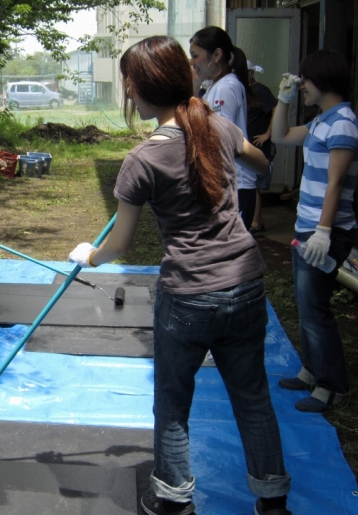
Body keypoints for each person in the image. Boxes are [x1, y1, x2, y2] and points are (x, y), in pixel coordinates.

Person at [69, 36, 291, 515]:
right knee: (252, 397)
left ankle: (172, 501)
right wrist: (235, 151)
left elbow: (120, 245)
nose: (127, 93)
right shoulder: (218, 126)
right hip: (247, 286)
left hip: (189, 297)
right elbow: (260, 162)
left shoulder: (142, 160)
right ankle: (273, 502)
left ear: (141, 89)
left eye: (129, 84)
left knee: (173, 403)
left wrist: (90, 256)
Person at [271, 50, 358, 412]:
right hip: (306, 228)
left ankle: (333, 386)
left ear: (321, 79)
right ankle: (312, 369)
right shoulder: (323, 120)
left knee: (316, 309)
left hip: (325, 233)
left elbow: (336, 183)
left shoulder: (344, 123)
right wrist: (284, 99)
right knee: (307, 306)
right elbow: (279, 135)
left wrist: (323, 231)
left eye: (304, 81)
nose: (301, 85)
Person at [190, 26, 259, 230]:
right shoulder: (215, 86)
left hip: (235, 184)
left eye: (195, 56)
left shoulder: (226, 87)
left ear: (217, 55)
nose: (192, 63)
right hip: (225, 182)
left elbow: (222, 136)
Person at [247, 61, 279, 235]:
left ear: (251, 73)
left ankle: (256, 223)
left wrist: (268, 134)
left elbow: (276, 109)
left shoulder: (261, 91)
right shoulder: (246, 91)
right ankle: (256, 221)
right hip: (250, 147)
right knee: (251, 183)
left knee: (255, 186)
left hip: (261, 147)